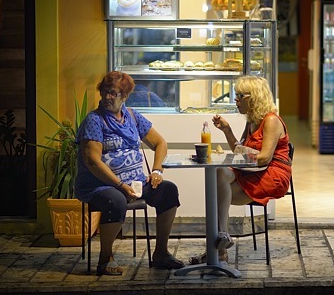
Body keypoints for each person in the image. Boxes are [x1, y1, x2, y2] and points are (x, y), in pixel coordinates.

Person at [74, 71, 184, 275]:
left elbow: (160, 143)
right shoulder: (94, 120)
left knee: (168, 191)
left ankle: (161, 253)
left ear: (124, 96)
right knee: (115, 200)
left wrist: (157, 170)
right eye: (105, 92)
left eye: (113, 93)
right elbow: (93, 162)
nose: (107, 97)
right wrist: (119, 185)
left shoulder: (132, 116)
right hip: (101, 185)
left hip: (135, 183)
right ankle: (105, 257)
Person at [189, 75, 292, 264]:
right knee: (219, 174)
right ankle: (221, 240)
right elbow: (239, 149)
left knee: (216, 194)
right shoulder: (251, 120)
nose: (235, 99)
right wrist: (227, 131)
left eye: (239, 95)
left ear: (253, 97)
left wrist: (238, 157)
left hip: (272, 174)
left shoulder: (271, 121)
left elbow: (264, 158)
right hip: (251, 170)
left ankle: (218, 248)